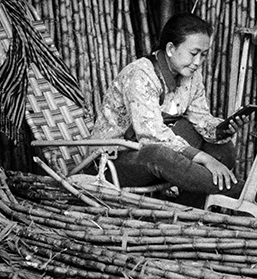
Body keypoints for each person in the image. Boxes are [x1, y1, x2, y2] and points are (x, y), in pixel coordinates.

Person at [87, 12, 242, 207]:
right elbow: (151, 135)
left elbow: (201, 118)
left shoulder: (191, 76)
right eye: (193, 54)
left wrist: (222, 129)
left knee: (222, 149)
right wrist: (203, 158)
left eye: (203, 55)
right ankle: (246, 190)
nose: (198, 62)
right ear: (170, 49)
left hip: (153, 150)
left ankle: (187, 214)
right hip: (113, 161)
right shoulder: (141, 74)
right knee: (159, 154)